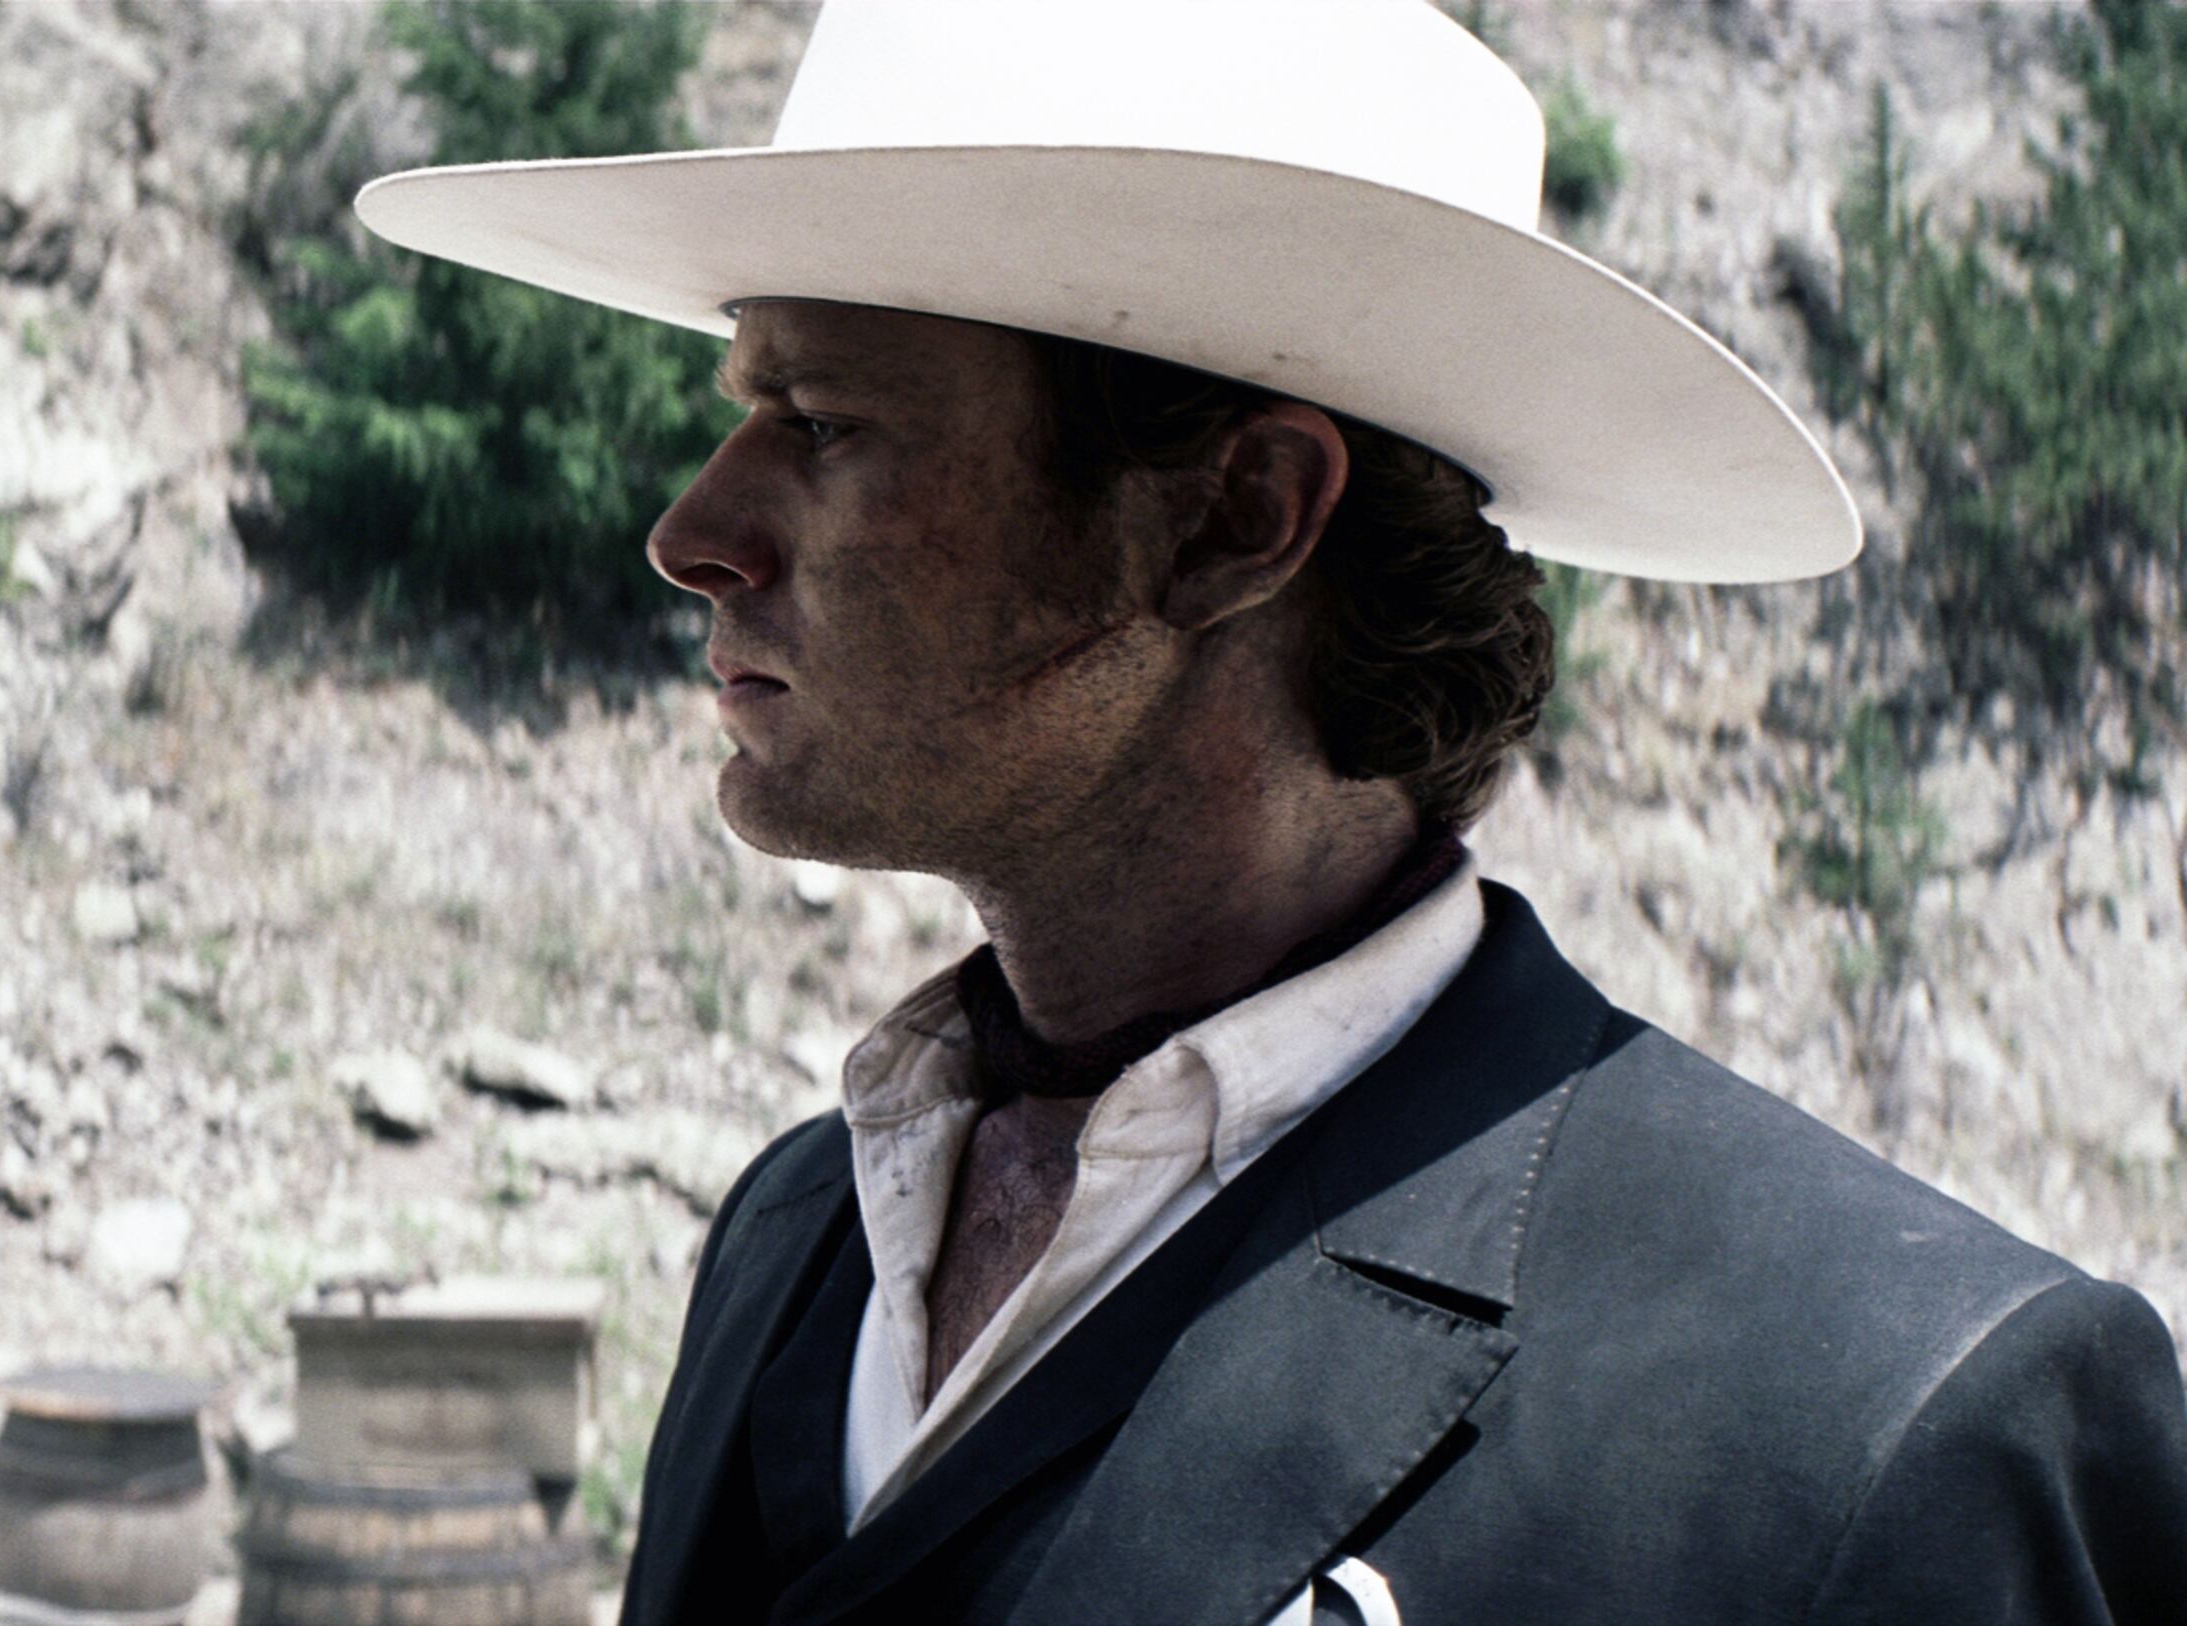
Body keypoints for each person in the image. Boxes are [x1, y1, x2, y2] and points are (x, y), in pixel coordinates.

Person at [353, 4, 2187, 1623]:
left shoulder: (1879, 1421)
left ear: (1237, 518)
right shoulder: (794, 1238)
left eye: (822, 421)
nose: (692, 532)